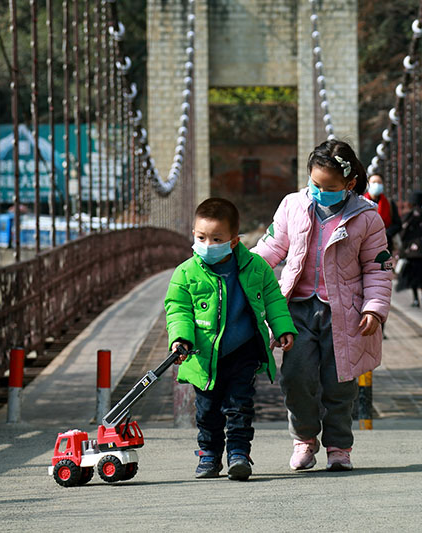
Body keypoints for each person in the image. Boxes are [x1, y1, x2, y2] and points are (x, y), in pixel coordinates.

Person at [253, 139, 392, 472]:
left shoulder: (367, 219)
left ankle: (339, 447)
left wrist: (374, 308)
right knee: (296, 377)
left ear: (349, 184)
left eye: (329, 187)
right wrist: (238, 271)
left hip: (345, 314)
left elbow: (378, 268)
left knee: (340, 383)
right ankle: (304, 439)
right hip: (295, 309)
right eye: (315, 184)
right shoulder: (292, 206)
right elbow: (271, 248)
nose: (320, 192)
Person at [164, 198, 297, 481]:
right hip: (203, 355)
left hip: (243, 351)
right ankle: (209, 454)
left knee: (240, 406)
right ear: (193, 235)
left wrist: (283, 327)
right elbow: (177, 310)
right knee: (207, 410)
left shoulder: (256, 267)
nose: (208, 244)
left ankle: (238, 454)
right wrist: (180, 339)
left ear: (234, 241)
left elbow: (273, 298)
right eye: (201, 237)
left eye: (217, 238)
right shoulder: (185, 273)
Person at [364, 174, 402, 253]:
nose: (376, 185)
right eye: (373, 182)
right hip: (365, 245)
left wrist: (387, 233)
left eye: (379, 182)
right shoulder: (361, 202)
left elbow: (398, 224)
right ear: (368, 184)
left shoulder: (389, 203)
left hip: (385, 245)